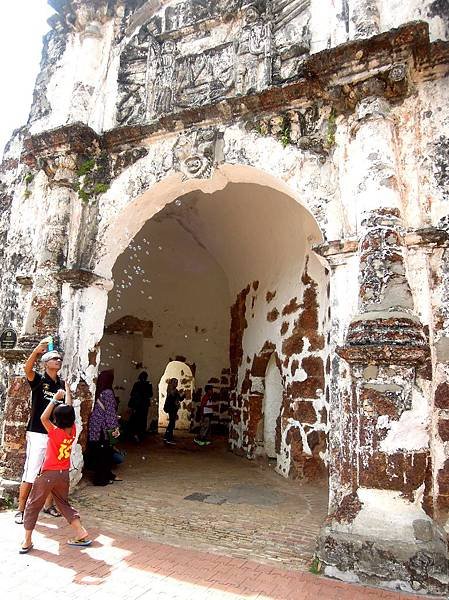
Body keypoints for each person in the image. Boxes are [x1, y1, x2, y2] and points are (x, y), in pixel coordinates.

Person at [19, 395, 91, 553]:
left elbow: (43, 417)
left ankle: (27, 540)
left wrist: (54, 399)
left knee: (33, 505)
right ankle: (80, 531)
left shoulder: (54, 432)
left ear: (57, 419)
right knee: (63, 504)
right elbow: (69, 408)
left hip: (48, 474)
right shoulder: (72, 430)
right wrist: (66, 393)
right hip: (63, 474)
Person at [14, 338, 72, 525]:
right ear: (46, 363)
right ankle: (21, 509)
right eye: (54, 358)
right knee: (32, 470)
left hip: (54, 433)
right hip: (38, 431)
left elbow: (68, 408)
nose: (58, 361)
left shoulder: (61, 384)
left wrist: (68, 390)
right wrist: (36, 352)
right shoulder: (39, 380)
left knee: (51, 471)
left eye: (59, 359)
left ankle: (48, 505)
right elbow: (27, 369)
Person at [87, 369, 121, 486]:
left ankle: (104, 475)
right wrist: (115, 429)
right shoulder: (108, 392)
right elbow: (110, 413)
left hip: (95, 427)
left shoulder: (99, 391)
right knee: (105, 454)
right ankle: (101, 479)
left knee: (99, 453)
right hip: (103, 429)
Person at [128, 371, 153, 442]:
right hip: (144, 405)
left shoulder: (137, 384)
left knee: (136, 420)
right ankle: (141, 435)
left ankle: (135, 435)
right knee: (143, 420)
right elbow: (150, 394)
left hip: (137, 405)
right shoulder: (148, 384)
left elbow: (132, 394)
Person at [163, 378, 184, 445]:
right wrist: (179, 395)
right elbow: (173, 398)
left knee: (172, 423)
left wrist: (182, 395)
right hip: (171, 408)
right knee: (171, 423)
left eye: (177, 382)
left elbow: (179, 399)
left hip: (173, 408)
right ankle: (168, 438)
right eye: (175, 382)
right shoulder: (171, 390)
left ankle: (168, 437)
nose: (176, 384)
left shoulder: (175, 390)